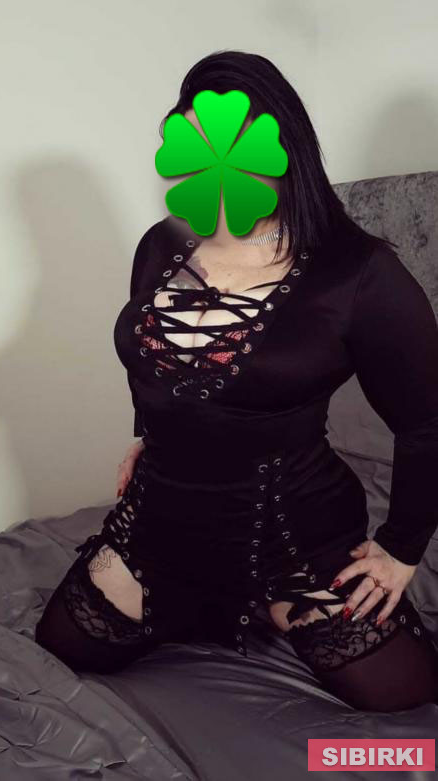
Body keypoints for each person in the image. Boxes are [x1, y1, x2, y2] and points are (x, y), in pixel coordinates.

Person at [35, 50, 438, 712]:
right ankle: (198, 603)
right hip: (163, 520)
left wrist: (402, 546)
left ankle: (262, 601)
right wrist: (148, 433)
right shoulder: (161, 245)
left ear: (283, 149)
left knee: (403, 694)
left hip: (292, 535)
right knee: (65, 641)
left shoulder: (360, 274)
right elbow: (150, 360)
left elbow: (427, 422)